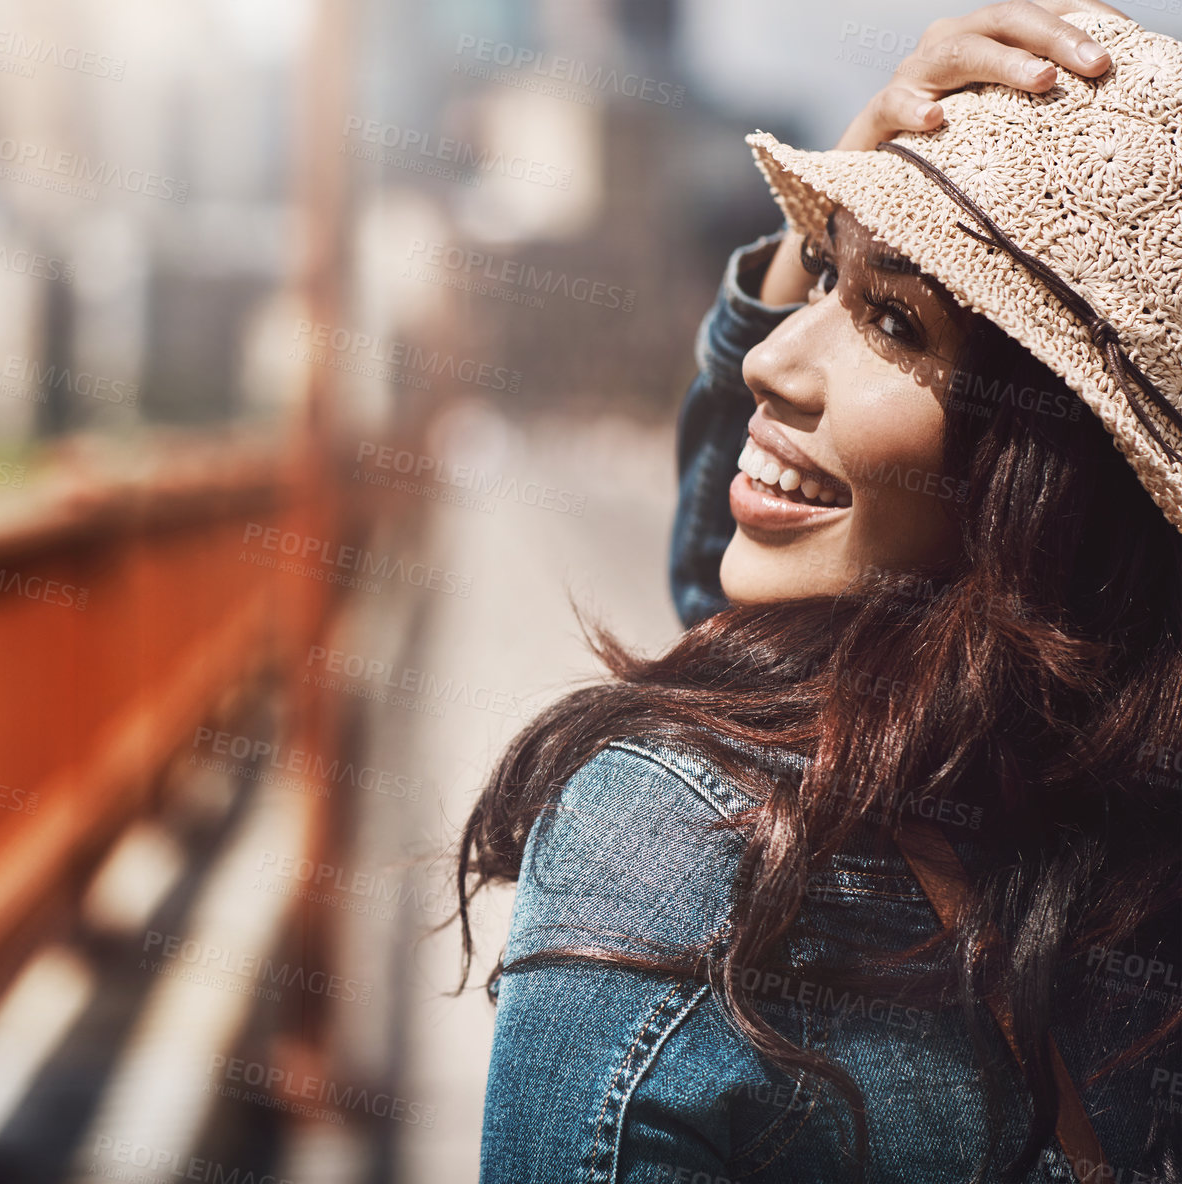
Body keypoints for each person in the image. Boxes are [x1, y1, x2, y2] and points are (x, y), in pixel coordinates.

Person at [460, 3, 1182, 1180]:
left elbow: (734, 586)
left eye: (891, 317)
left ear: (1046, 477)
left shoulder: (680, 848)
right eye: (821, 281)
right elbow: (762, 569)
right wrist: (854, 220)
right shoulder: (1117, 828)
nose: (767, 356)